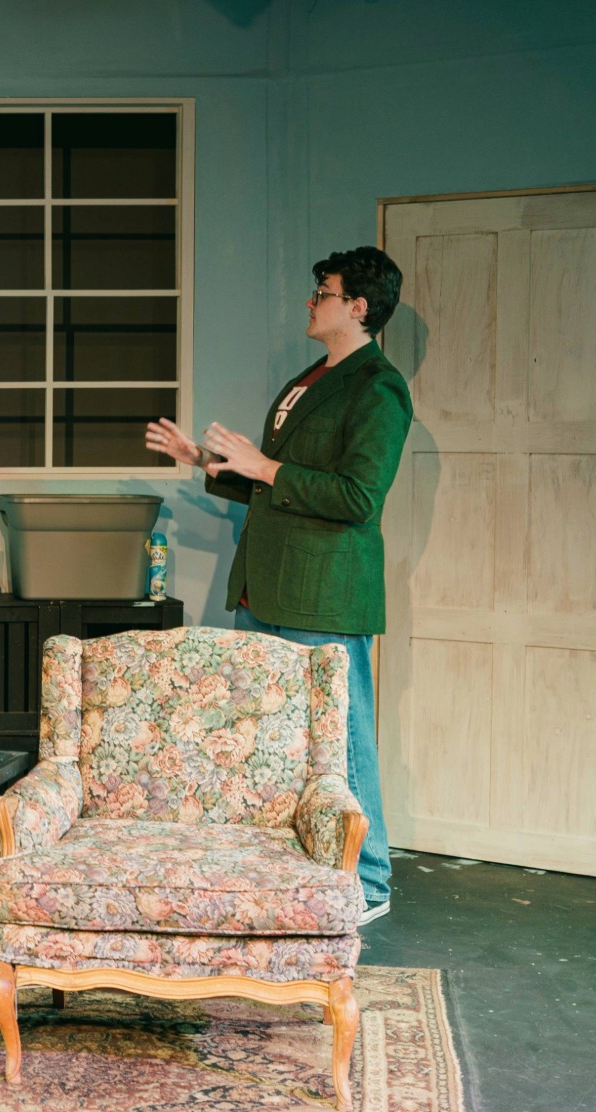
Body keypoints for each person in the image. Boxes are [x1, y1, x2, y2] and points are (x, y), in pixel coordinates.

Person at [144, 246, 411, 925]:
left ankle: (371, 881)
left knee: (344, 739)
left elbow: (357, 496)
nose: (310, 301)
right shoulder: (311, 378)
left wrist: (263, 467)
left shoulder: (376, 386)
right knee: (271, 742)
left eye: (322, 292)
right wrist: (202, 460)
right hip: (269, 588)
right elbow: (274, 477)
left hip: (323, 593)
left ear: (359, 305)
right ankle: (290, 869)